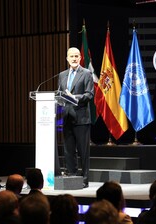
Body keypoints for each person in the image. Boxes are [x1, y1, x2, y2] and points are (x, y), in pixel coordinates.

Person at [58, 47, 94, 188]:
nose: (74, 58)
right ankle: (72, 177)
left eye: (76, 56)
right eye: (71, 56)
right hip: (66, 117)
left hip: (81, 118)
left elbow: (89, 94)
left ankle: (84, 180)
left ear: (80, 58)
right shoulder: (62, 75)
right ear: (67, 58)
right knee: (68, 150)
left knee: (83, 151)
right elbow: (60, 95)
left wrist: (75, 98)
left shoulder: (86, 74)